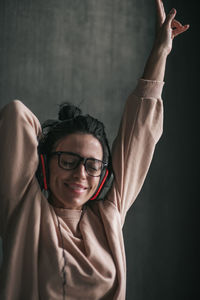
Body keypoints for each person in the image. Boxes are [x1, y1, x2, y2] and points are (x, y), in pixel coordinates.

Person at [0, 1, 189, 299]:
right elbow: (15, 115)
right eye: (68, 160)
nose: (80, 174)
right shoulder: (25, 210)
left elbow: (140, 135)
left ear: (102, 175)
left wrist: (161, 51)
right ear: (46, 163)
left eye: (92, 165)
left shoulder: (107, 216)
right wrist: (39, 155)